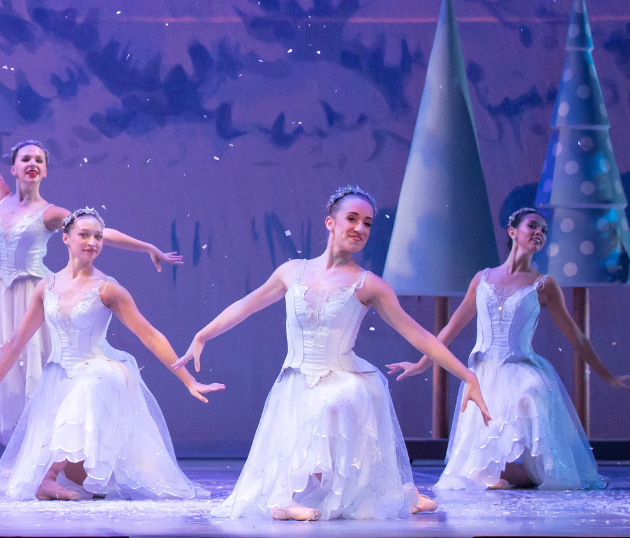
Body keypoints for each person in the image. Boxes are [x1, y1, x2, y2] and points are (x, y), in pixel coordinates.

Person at [178, 186, 492, 521]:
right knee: (315, 409)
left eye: (368, 223)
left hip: (340, 377)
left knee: (332, 402)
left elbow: (420, 336)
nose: (360, 228)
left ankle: (296, 498)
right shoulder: (292, 271)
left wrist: (468, 375)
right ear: (330, 222)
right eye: (352, 219)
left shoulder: (369, 284)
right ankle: (377, 495)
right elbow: (245, 306)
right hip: (296, 379)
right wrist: (203, 334)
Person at [0, 67, 183, 444]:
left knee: (38, 371)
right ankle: (23, 450)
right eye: (25, 159)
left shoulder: (52, 213)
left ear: (44, 171)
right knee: (7, 368)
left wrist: (147, 247)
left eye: (39, 161)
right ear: (13, 168)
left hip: (35, 293)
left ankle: (53, 445)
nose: (32, 164)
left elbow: (97, 231)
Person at [0, 207, 216, 501]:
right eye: (84, 235)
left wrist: (188, 379)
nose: (92, 242)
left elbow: (151, 336)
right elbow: (17, 342)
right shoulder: (46, 286)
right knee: (91, 482)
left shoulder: (108, 289)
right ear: (65, 238)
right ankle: (74, 473)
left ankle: (48, 478)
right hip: (58, 377)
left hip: (99, 370)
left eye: (99, 237)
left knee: (92, 386)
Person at [388, 207, 630, 490]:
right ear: (513, 232)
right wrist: (420, 364)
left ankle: (520, 474)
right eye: (533, 226)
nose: (539, 233)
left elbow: (577, 338)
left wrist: (608, 376)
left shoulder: (544, 285)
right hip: (483, 372)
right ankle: (501, 477)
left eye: (544, 231)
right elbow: (450, 330)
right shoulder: (482, 279)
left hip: (521, 368)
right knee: (478, 471)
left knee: (529, 396)